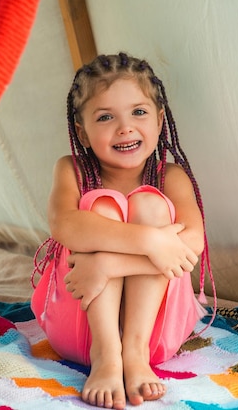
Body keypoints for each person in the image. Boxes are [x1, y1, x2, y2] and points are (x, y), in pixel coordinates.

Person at [31, 52, 213, 409]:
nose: (125, 127)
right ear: (81, 132)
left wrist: (108, 265)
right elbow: (64, 225)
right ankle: (107, 354)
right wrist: (150, 241)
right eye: (105, 117)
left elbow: (190, 246)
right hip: (78, 331)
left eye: (139, 112)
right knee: (101, 206)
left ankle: (133, 352)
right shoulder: (72, 169)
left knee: (150, 204)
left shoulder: (170, 176)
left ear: (160, 121)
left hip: (156, 338)